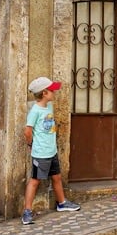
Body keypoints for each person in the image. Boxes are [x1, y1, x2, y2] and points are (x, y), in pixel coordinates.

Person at [22, 76, 80, 224]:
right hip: (40, 153)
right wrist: (30, 143)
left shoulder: (49, 107)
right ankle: (27, 211)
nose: (55, 92)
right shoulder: (35, 111)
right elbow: (28, 131)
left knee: (56, 177)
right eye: (52, 90)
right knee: (35, 181)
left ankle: (62, 203)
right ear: (44, 93)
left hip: (51, 151)